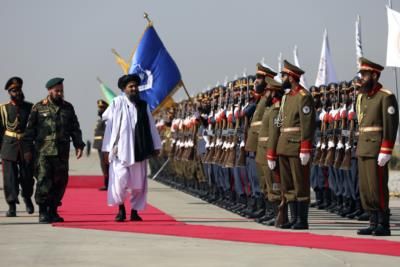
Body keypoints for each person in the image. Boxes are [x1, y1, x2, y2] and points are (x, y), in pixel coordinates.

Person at [23, 77, 85, 223]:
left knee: (60, 183)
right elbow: (29, 131)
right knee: (44, 181)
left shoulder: (68, 108)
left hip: (62, 153)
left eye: (61, 91)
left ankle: (53, 211)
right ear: (49, 91)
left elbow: (74, 128)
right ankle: (43, 212)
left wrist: (79, 145)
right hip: (43, 153)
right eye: (57, 91)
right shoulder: (38, 107)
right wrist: (27, 151)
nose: (60, 93)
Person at [102, 74, 161, 222]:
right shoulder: (116, 103)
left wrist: (156, 145)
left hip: (139, 149)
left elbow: (151, 127)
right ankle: (121, 209)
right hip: (120, 151)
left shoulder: (143, 105)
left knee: (138, 184)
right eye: (131, 86)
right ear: (124, 89)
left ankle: (134, 211)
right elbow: (108, 127)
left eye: (135, 86)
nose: (134, 89)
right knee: (119, 180)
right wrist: (106, 149)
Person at [355, 58, 399, 236]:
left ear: (374, 75)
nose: (362, 78)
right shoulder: (363, 97)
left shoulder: (385, 96)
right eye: (362, 75)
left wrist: (386, 149)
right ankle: (373, 221)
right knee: (366, 189)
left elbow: (391, 124)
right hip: (363, 148)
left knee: (377, 187)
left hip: (376, 150)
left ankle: (383, 223)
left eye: (365, 75)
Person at [274, 60, 315, 230]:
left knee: (300, 183)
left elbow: (308, 123)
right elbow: (281, 122)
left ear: (291, 77)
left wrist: (305, 148)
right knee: (288, 184)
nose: (281, 78)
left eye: (283, 75)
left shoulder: (303, 97)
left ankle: (302, 219)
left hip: (297, 146)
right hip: (284, 145)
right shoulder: (285, 97)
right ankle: (292, 217)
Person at [0, 77, 34, 216]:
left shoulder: (30, 107)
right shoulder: (3, 109)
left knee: (27, 176)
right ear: (9, 92)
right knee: (10, 178)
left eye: (18, 90)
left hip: (26, 146)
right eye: (14, 91)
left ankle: (27, 198)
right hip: (8, 146)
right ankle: (12, 205)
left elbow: (34, 128)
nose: (17, 93)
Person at [93, 99, 109, 191]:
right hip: (100, 145)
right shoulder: (101, 120)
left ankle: (108, 184)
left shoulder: (107, 120)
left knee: (106, 165)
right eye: (99, 108)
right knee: (103, 165)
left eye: (102, 108)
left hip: (104, 145)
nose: (100, 110)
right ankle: (106, 184)